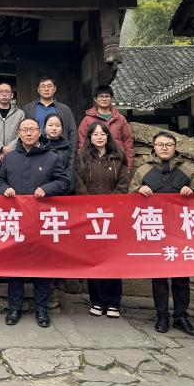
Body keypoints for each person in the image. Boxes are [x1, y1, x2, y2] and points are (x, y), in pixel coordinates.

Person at [0, 118, 70, 328]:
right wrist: (5, 190)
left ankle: (41, 310)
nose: (28, 133)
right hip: (16, 221)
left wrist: (47, 189)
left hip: (41, 221)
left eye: (32, 129)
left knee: (41, 267)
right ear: (18, 133)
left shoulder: (52, 157)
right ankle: (14, 308)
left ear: (39, 132)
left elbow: (64, 181)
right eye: (24, 130)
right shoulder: (10, 158)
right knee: (15, 267)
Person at [129, 131, 194, 337]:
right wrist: (138, 190)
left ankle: (181, 316)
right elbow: (130, 194)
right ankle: (161, 315)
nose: (164, 148)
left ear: (175, 147)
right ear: (154, 147)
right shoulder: (143, 171)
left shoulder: (187, 171)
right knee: (159, 277)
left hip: (181, 230)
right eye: (160, 144)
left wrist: (192, 191)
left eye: (168, 144)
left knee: (181, 277)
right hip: (155, 231)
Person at [75, 122, 130, 318]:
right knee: (94, 259)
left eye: (102, 134)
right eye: (95, 134)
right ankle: (97, 301)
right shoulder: (82, 158)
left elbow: (124, 182)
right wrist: (88, 203)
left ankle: (113, 302)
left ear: (108, 136)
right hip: (90, 215)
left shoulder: (118, 157)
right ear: (89, 138)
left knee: (113, 258)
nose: (99, 137)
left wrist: (112, 203)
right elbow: (78, 182)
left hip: (113, 214)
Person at [77, 84, 135, 169]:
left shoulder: (120, 119)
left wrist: (128, 165)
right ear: (95, 99)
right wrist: (82, 165)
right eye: (101, 96)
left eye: (107, 96)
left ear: (111, 98)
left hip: (118, 161)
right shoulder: (87, 120)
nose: (104, 99)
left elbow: (128, 142)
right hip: (94, 162)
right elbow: (81, 143)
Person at [23, 75, 78, 152]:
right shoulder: (29, 108)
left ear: (54, 89)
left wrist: (72, 152)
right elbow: (23, 130)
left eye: (49, 86)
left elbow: (73, 133)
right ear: (38, 89)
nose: (46, 89)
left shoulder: (65, 109)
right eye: (43, 86)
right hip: (35, 150)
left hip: (59, 151)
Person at [41, 114, 74, 187]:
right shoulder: (39, 145)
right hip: (42, 187)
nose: (54, 128)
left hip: (63, 185)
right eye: (50, 125)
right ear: (44, 128)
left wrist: (65, 184)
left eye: (57, 125)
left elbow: (70, 168)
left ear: (62, 129)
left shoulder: (68, 146)